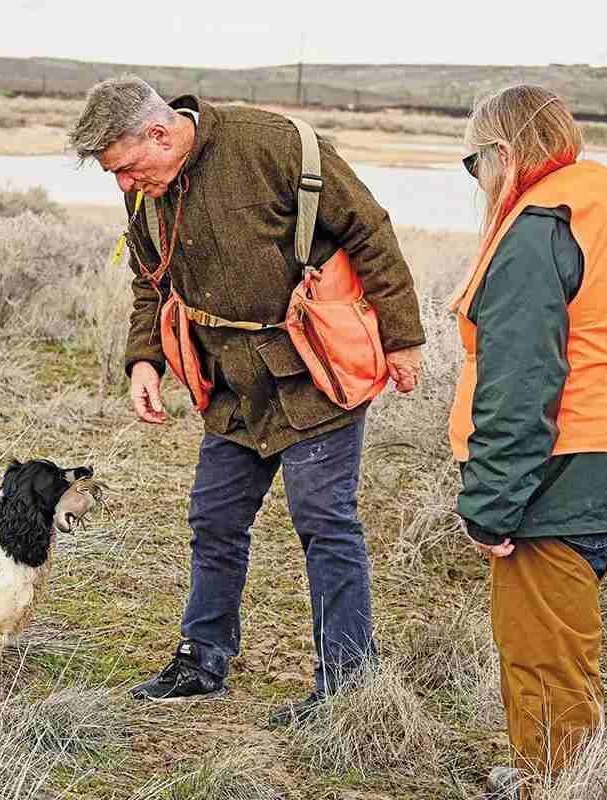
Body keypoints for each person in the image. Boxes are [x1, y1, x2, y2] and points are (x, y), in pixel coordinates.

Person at [68, 75, 425, 727]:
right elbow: (151, 281)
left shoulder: (274, 145)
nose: (124, 185)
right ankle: (201, 659)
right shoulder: (146, 191)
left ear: (160, 131)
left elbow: (369, 231)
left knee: (323, 520)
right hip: (232, 382)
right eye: (112, 176)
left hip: (317, 371)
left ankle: (347, 685)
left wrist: (402, 340)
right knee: (214, 518)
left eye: (126, 168)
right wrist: (144, 358)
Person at [449, 85, 607, 795]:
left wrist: (490, 505)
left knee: (542, 652)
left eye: (474, 162)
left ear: (505, 153)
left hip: (565, 471)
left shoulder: (540, 223)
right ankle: (551, 771)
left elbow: (519, 384)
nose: (477, 180)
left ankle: (559, 783)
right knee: (566, 643)